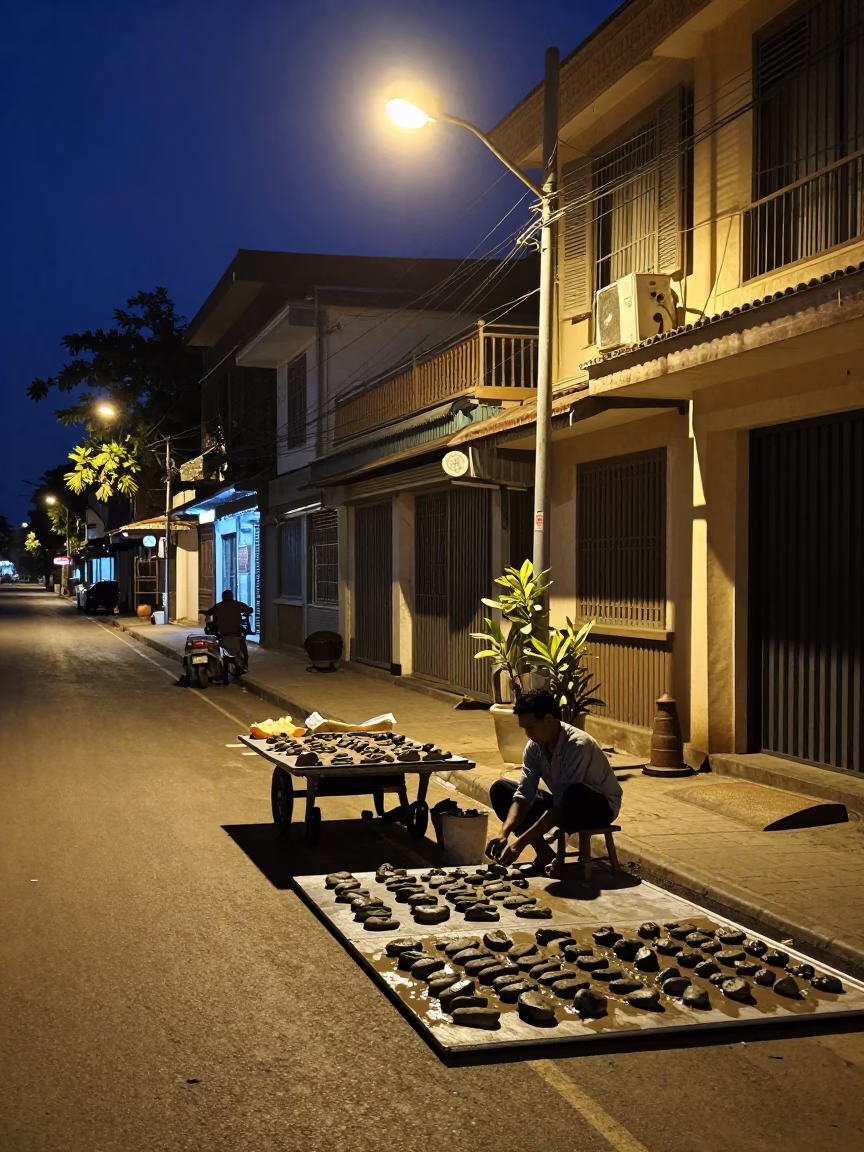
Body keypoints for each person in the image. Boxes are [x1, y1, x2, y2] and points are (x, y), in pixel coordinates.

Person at [485, 688, 622, 875]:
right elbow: (524, 795)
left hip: (597, 806)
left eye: (531, 727)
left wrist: (519, 844)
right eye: (524, 728)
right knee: (502, 790)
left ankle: (550, 854)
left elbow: (562, 804)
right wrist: (504, 833)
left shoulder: (576, 744)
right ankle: (544, 854)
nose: (528, 733)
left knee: (571, 795)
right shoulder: (534, 746)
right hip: (564, 801)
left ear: (549, 720)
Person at [204, 589, 252, 675]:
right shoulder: (237, 604)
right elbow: (249, 609)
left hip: (223, 633)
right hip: (236, 633)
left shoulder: (219, 606)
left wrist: (208, 624)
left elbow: (208, 614)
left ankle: (217, 667)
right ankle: (244, 666)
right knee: (243, 650)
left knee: (215, 646)